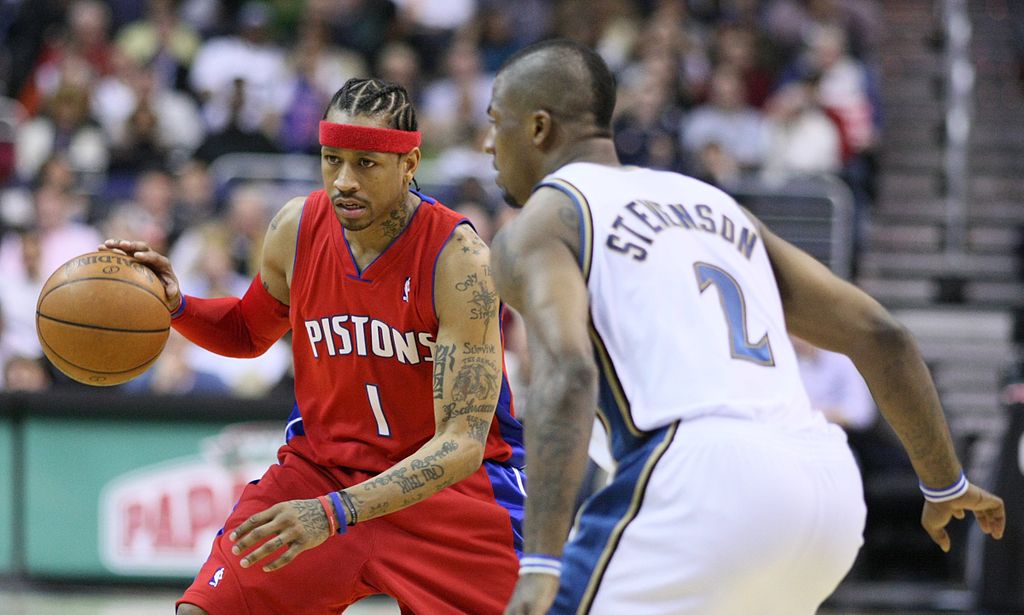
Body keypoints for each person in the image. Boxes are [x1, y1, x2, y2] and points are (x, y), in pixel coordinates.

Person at [483, 40, 1005, 615]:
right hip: (824, 493)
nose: (487, 144)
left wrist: (539, 563)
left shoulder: (542, 223)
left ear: (537, 127)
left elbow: (569, 373)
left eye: (494, 122)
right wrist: (944, 483)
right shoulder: (711, 202)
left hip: (701, 477)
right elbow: (882, 334)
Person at [104, 77, 525, 615]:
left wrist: (333, 513)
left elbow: (463, 443)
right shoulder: (296, 228)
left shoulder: (460, 261)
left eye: (366, 163)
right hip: (321, 469)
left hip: (448, 496)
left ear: (410, 163)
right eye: (332, 160)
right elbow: (248, 333)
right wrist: (177, 307)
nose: (344, 180)